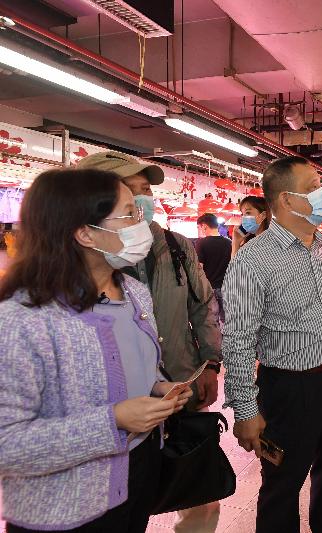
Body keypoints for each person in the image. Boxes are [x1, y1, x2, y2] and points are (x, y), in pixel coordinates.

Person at [0, 168, 191, 532]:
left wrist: (157, 387)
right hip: (64, 510)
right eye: (129, 214)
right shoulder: (21, 321)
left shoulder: (134, 294)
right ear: (86, 233)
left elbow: (132, 367)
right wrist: (113, 421)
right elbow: (7, 444)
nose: (142, 222)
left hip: (137, 478)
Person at [222, 156, 322, 533]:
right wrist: (245, 410)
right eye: (313, 188)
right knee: (282, 485)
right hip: (290, 387)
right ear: (286, 200)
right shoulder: (253, 261)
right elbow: (238, 341)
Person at [78, 150, 222, 533]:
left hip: (180, 383)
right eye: (133, 195)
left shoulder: (174, 245)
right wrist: (114, 418)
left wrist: (209, 363)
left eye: (145, 194)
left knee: (196, 488)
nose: (145, 203)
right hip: (113, 415)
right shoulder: (59, 291)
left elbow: (202, 303)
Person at [196, 213, 232, 324]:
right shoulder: (229, 242)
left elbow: (199, 268)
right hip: (227, 288)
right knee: (227, 321)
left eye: (199, 227)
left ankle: (217, 341)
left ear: (204, 226)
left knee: (212, 322)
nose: (200, 230)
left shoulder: (201, 243)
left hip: (210, 288)